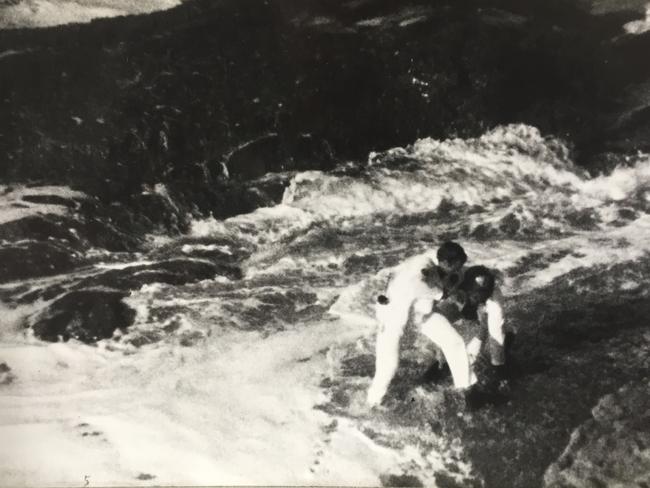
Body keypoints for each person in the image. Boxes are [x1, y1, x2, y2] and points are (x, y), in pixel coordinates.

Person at [367, 242, 508, 407]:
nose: (458, 271)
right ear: (446, 262)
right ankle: (372, 403)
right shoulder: (421, 273)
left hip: (423, 315)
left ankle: (470, 394)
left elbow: (397, 273)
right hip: (393, 320)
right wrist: (441, 291)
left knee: (454, 342)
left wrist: (484, 281)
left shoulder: (434, 263)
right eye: (456, 267)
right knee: (388, 367)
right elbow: (421, 285)